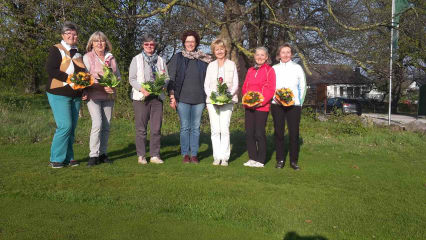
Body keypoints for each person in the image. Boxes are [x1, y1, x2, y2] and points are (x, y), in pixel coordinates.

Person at [167, 30, 212, 164]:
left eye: (192, 41)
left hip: (199, 99)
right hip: (183, 99)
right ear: (184, 43)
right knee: (185, 127)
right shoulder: (178, 57)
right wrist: (172, 97)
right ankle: (185, 154)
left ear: (196, 42)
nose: (190, 44)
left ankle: (194, 154)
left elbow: (210, 79)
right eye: (187, 41)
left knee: (196, 127)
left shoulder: (204, 59)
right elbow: (171, 78)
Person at [45, 22, 86, 168]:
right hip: (58, 93)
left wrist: (84, 90)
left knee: (72, 127)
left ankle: (69, 157)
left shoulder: (78, 52)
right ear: (63, 35)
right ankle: (55, 159)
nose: (72, 36)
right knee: (65, 126)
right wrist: (68, 78)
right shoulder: (57, 49)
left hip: (75, 95)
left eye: (74, 34)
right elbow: (51, 69)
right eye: (69, 33)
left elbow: (83, 75)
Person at [129, 34, 169, 165]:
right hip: (141, 97)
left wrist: (163, 86)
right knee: (141, 128)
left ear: (154, 45)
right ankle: (141, 155)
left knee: (156, 128)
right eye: (146, 44)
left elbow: (167, 77)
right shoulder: (136, 59)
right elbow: (132, 79)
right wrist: (142, 90)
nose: (149, 47)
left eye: (151, 44)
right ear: (143, 45)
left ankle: (155, 155)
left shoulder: (161, 60)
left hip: (157, 98)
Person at [83, 31, 121, 166]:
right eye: (96, 41)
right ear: (91, 44)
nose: (99, 43)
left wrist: (113, 86)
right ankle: (93, 155)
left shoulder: (111, 58)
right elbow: (84, 78)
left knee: (106, 125)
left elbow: (118, 76)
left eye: (102, 41)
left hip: (108, 96)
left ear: (106, 43)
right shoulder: (87, 57)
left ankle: (103, 154)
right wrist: (97, 84)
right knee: (97, 123)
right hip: (93, 95)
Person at [271, 43, 306, 170]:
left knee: (294, 133)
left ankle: (293, 161)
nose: (285, 54)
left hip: (294, 105)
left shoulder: (298, 68)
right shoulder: (274, 68)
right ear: (279, 55)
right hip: (277, 104)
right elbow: (270, 86)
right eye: (283, 52)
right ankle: (280, 160)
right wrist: (274, 99)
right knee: (279, 133)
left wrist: (300, 103)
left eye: (288, 52)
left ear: (291, 54)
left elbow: (303, 86)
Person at [204, 39, 238, 166]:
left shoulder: (232, 65)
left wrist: (226, 97)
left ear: (225, 50)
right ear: (214, 51)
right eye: (217, 49)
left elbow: (235, 84)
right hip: (212, 102)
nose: (219, 51)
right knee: (215, 130)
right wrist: (214, 98)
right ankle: (216, 157)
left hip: (228, 101)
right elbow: (206, 85)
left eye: (221, 49)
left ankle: (224, 158)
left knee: (224, 129)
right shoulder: (211, 65)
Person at [241, 47, 276, 168]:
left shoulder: (270, 70)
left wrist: (260, 102)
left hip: (262, 106)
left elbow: (271, 89)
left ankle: (260, 160)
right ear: (254, 56)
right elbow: (245, 86)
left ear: (266, 57)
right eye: (257, 55)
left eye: (262, 55)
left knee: (259, 133)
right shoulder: (250, 70)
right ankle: (252, 158)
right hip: (249, 106)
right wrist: (247, 99)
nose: (260, 57)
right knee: (249, 132)